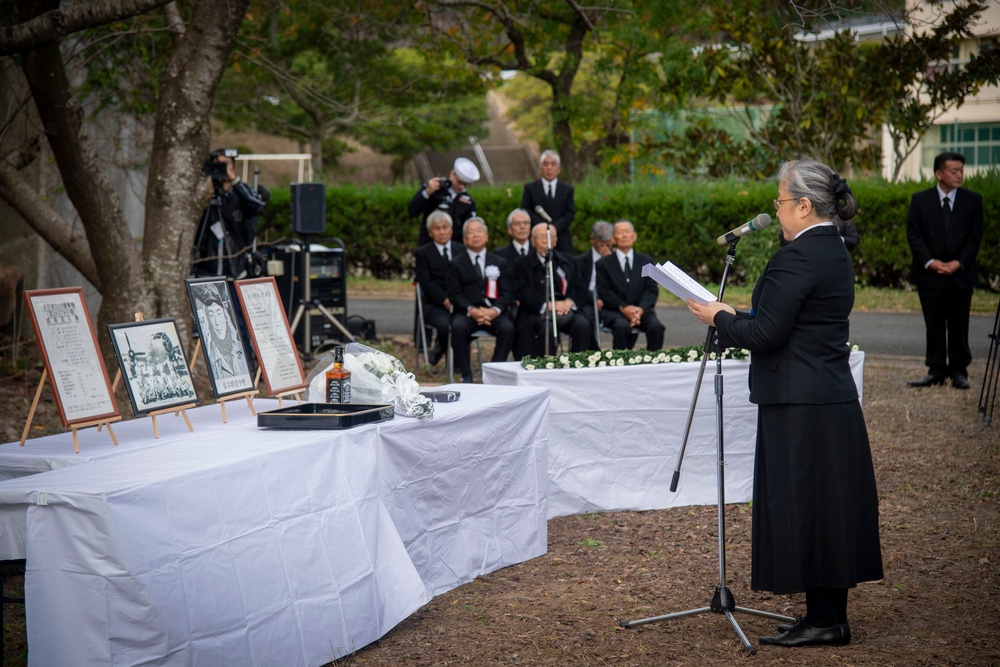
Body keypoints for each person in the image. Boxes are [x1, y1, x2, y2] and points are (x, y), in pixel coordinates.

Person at [686, 159, 883, 648]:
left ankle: (827, 621)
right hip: (823, 395)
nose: (775, 212)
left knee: (811, 507)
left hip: (801, 401)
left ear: (802, 204)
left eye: (778, 202)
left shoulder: (796, 256)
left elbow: (767, 335)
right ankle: (822, 615)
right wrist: (735, 314)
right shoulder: (833, 249)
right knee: (825, 506)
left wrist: (719, 320)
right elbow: (791, 319)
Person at [906, 151, 983, 390]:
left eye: (961, 170)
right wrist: (931, 262)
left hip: (960, 274)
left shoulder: (972, 201)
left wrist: (959, 262)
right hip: (930, 275)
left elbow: (975, 236)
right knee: (935, 323)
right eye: (954, 171)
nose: (959, 175)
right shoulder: (921, 200)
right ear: (939, 174)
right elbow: (914, 234)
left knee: (959, 324)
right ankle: (935, 369)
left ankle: (959, 371)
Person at [446, 217, 515, 382]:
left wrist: (494, 311)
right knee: (458, 327)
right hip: (468, 312)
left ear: (486, 236)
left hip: (494, 312)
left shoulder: (500, 262)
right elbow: (455, 294)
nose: (475, 235)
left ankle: (493, 373)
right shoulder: (455, 264)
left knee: (508, 328)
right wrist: (472, 310)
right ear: (464, 239)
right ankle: (466, 375)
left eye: (479, 231)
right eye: (470, 232)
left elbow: (507, 293)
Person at [513, 223, 593, 357]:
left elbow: (581, 288)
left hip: (566, 309)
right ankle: (545, 366)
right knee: (547, 329)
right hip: (538, 311)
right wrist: (549, 305)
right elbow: (522, 292)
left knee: (582, 325)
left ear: (556, 241)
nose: (546, 241)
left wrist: (569, 302)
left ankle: (576, 363)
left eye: (550, 237)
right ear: (532, 241)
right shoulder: (522, 264)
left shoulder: (568, 261)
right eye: (541, 237)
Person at [192, 148, 270, 278]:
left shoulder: (240, 194)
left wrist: (235, 181)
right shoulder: (207, 197)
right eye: (218, 164)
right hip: (207, 268)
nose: (222, 168)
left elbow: (257, 205)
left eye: (226, 164)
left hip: (236, 266)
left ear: (233, 166)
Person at [595, 220, 664, 350]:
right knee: (621, 327)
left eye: (627, 232)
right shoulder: (603, 264)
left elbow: (651, 289)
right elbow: (604, 291)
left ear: (634, 236)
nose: (624, 235)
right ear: (613, 239)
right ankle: (620, 365)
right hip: (615, 311)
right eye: (620, 232)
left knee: (656, 327)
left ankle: (654, 363)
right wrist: (623, 308)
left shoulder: (646, 261)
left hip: (641, 310)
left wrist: (640, 310)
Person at [414, 210, 465, 366]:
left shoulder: (462, 250)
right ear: (430, 232)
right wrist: (444, 299)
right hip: (434, 305)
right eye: (437, 228)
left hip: (460, 303)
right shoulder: (422, 253)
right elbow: (426, 282)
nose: (442, 231)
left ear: (451, 230)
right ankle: (439, 350)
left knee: (464, 325)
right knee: (445, 326)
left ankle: (459, 362)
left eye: (445, 227)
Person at [409, 157, 481, 247]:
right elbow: (412, 211)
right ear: (452, 174)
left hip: (455, 248)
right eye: (459, 182)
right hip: (429, 246)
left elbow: (469, 227)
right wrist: (427, 193)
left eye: (465, 184)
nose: (462, 187)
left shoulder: (468, 201)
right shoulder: (433, 188)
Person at [520, 150, 576, 255]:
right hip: (538, 238)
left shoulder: (567, 189)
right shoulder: (530, 188)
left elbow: (570, 212)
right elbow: (526, 209)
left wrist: (554, 227)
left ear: (559, 169)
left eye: (553, 164)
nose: (549, 167)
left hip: (561, 238)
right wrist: (543, 227)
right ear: (541, 168)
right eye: (546, 164)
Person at [576, 220, 615, 348]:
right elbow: (579, 287)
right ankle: (594, 352)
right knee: (585, 321)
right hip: (590, 299)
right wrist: (595, 298)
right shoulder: (581, 261)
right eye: (601, 244)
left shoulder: (616, 259)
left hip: (614, 299)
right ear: (592, 240)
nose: (604, 247)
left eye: (607, 243)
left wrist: (610, 261)